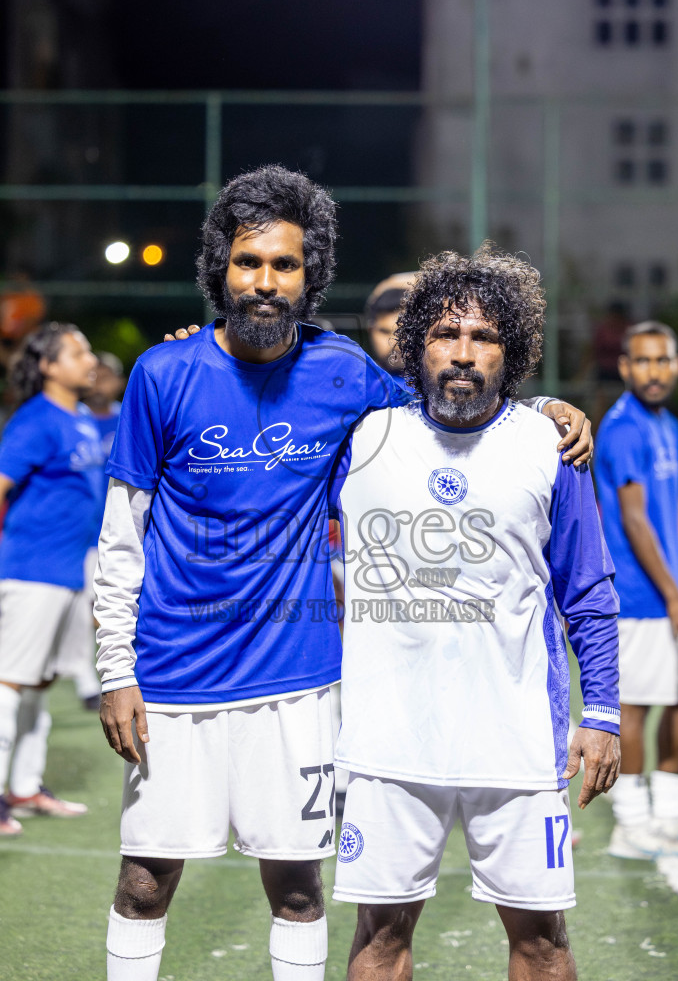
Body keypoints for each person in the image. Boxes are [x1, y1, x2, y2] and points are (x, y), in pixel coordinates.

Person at [95, 164, 592, 981]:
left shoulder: (346, 375)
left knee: (298, 891)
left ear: (309, 275)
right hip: (172, 677)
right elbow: (120, 540)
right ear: (220, 266)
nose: (265, 281)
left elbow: (451, 402)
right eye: (248, 262)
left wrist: (544, 411)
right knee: (145, 882)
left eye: (284, 265)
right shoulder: (163, 374)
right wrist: (116, 672)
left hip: (300, 682)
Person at [329, 244, 621, 981]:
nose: (463, 353)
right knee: (379, 938)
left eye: (484, 337)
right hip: (387, 738)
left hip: (517, 737)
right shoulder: (362, 437)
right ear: (414, 342)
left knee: (543, 942)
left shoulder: (550, 446)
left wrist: (604, 714)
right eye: (445, 334)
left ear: (511, 350)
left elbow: (585, 591)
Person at [0, 322, 101, 836]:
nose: (88, 359)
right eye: (77, 351)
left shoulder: (80, 416)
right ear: (48, 366)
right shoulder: (35, 420)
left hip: (67, 570)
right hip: (31, 569)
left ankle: (23, 788)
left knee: (37, 683)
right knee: (9, 680)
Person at [594, 321, 678, 860]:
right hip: (640, 596)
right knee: (636, 707)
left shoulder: (668, 423)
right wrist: (673, 595)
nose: (654, 371)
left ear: (676, 365)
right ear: (625, 367)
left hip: (671, 591)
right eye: (642, 361)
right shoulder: (623, 427)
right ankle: (630, 819)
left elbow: (672, 513)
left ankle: (670, 812)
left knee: (675, 702)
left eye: (663, 360)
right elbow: (635, 520)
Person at [68, 352, 126, 711]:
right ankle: (85, 678)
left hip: (124, 530)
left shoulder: (129, 417)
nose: (100, 382)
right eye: (95, 374)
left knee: (114, 605)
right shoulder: (77, 420)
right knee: (82, 605)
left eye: (107, 376)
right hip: (83, 534)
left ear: (118, 382)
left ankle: (115, 672)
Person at [364, 272, 416, 384]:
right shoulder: (358, 381)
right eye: (384, 331)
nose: (394, 343)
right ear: (370, 330)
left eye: (404, 332)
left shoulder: (437, 384)